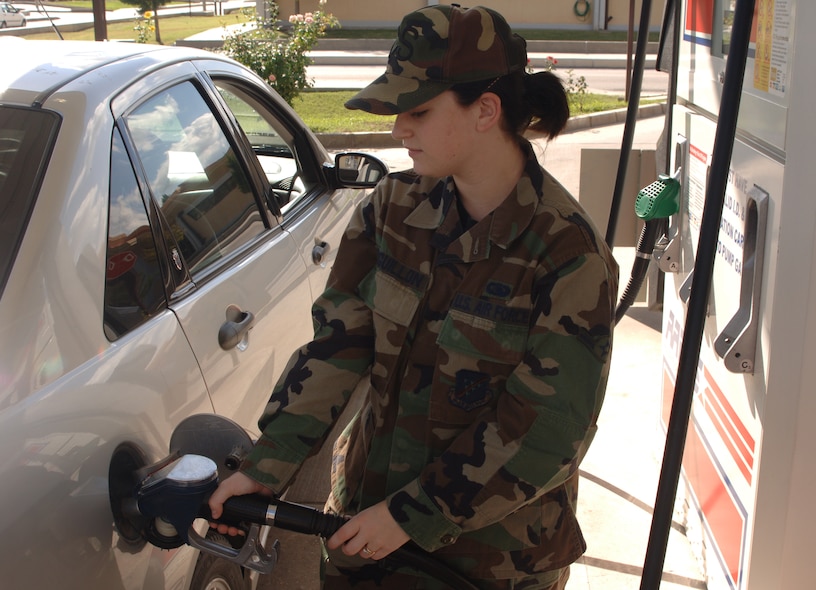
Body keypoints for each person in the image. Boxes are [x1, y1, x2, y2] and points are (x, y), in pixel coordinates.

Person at [209, 5, 619, 589]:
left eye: (420, 111)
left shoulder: (565, 252)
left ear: (486, 110)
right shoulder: (392, 208)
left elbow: (548, 430)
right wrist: (266, 466)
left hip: (488, 563)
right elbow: (339, 346)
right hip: (363, 534)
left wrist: (413, 515)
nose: (400, 129)